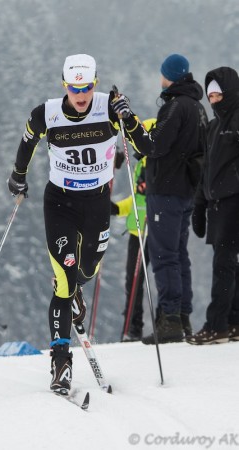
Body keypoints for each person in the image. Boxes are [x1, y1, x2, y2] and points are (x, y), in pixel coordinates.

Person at [7, 54, 142, 394]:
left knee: (89, 268)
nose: (80, 95)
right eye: (73, 88)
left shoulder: (109, 109)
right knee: (64, 283)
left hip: (96, 202)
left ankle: (77, 288)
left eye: (86, 87)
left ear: (94, 84)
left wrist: (129, 118)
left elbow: (147, 148)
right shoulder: (47, 113)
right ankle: (61, 363)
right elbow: (27, 144)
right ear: (64, 85)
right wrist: (18, 177)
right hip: (60, 203)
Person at [121, 54, 208, 344]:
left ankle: (169, 318)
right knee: (179, 254)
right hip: (186, 191)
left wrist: (128, 120)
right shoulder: (197, 107)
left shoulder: (175, 106)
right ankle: (181, 315)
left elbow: (154, 146)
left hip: (167, 190)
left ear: (167, 76)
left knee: (164, 255)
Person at [187, 67, 239, 345]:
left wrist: (233, 182)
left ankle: (216, 325)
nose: (215, 100)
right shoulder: (214, 126)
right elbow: (206, 169)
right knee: (230, 266)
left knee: (224, 265)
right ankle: (233, 321)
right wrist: (199, 205)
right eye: (211, 96)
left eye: (219, 94)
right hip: (216, 204)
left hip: (234, 202)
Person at [111, 118, 156, 342]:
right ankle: (132, 326)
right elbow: (136, 200)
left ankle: (139, 326)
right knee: (133, 280)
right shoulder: (142, 163)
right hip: (136, 230)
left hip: (151, 228)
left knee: (141, 279)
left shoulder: (155, 161)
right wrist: (116, 208)